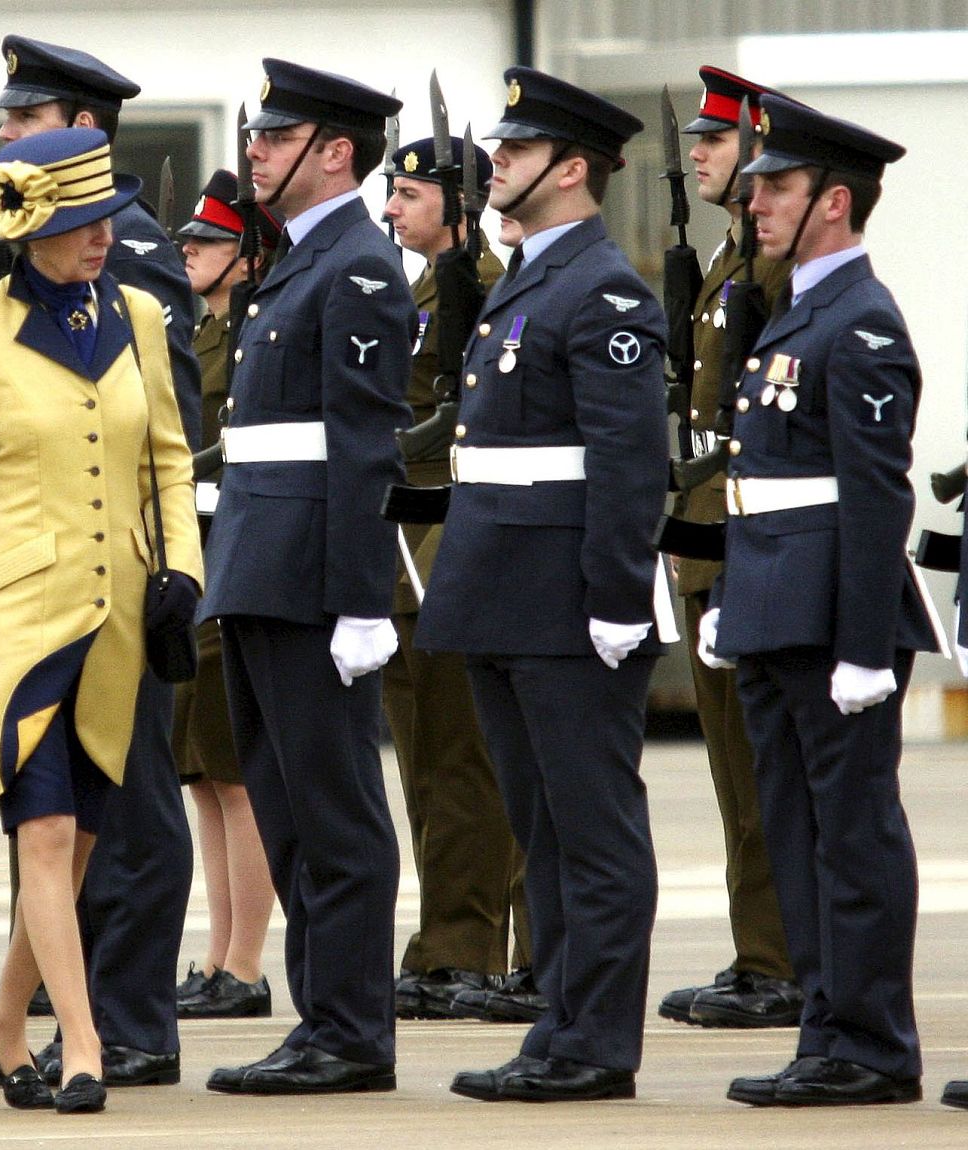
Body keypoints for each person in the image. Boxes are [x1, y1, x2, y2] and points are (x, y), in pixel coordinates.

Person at [0, 126, 201, 1116]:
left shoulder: (143, 317)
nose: (101, 238)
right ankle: (81, 1042)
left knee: (79, 845)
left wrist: (181, 575)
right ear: (27, 231)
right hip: (12, 624)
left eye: (106, 220)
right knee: (41, 833)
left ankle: (4, 1016)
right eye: (80, 223)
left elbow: (168, 459)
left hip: (115, 616)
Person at [419, 67, 669, 1103]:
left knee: (591, 831)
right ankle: (560, 1023)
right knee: (544, 831)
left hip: (567, 605)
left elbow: (625, 463)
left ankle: (595, 1039)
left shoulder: (602, 291)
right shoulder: (527, 280)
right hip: (502, 593)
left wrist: (615, 599)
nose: (494, 166)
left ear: (571, 171)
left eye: (514, 154)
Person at [701, 94, 933, 1108]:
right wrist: (729, 593)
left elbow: (876, 491)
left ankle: (873, 1041)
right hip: (771, 600)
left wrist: (862, 646)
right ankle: (823, 1025)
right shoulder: (797, 309)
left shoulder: (861, 321)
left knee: (853, 831)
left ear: (832, 201)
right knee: (793, 831)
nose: (755, 201)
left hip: (834, 615)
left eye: (777, 187)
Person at [198, 59, 410, 1096]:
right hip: (258, 571)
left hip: (313, 585)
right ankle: (319, 1017)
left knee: (334, 815)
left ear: (333, 154)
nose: (254, 153)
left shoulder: (358, 267)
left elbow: (364, 447)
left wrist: (363, 599)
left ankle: (353, 1031)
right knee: (284, 812)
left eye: (276, 140)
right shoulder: (295, 262)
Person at [659, 65, 801, 1032]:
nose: (700, 154)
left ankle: (783, 958)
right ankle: (764, 952)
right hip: (709, 531)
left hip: (749, 532)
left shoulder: (773, 266)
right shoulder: (725, 257)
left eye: (714, 140)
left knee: (764, 765)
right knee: (733, 768)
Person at [378, 134, 533, 1023]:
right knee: (428, 764)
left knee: (464, 762)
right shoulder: (427, 288)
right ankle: (445, 940)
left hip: (453, 544)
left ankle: (465, 948)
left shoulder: (477, 281)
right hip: (407, 548)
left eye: (408, 193)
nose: (392, 208)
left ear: (457, 202)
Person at [171, 170, 279, 1020]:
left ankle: (245, 961)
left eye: (206, 243)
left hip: (232, 546)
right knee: (205, 775)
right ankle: (215, 955)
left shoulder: (247, 337)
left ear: (248, 258)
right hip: (199, 552)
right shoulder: (205, 335)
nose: (189, 255)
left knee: (238, 777)